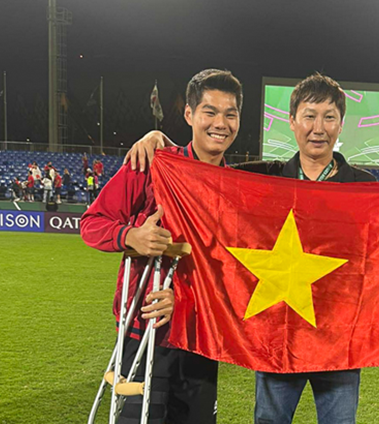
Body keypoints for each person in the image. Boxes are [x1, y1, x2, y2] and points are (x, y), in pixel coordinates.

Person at [126, 73, 379, 424]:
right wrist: (160, 141)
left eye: (329, 117)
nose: (318, 128)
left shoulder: (363, 186)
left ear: (341, 124)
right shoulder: (264, 177)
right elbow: (206, 183)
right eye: (309, 116)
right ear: (293, 121)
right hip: (276, 337)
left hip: (339, 340)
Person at [81, 68, 242, 424]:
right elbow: (92, 223)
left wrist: (185, 300)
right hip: (145, 330)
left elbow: (234, 271)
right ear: (189, 114)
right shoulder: (152, 164)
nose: (221, 123)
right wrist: (131, 237)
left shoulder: (238, 188)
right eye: (210, 112)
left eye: (230, 114)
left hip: (201, 336)